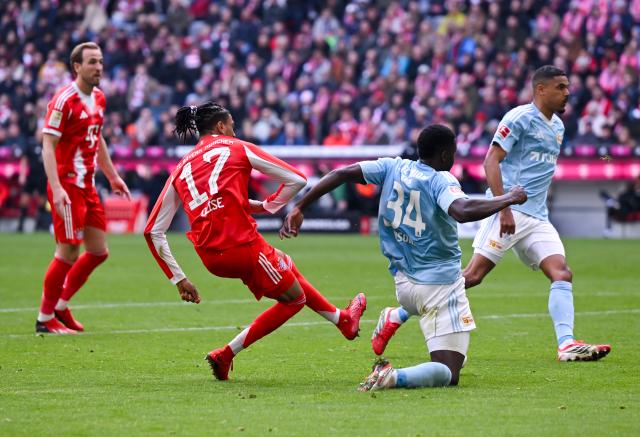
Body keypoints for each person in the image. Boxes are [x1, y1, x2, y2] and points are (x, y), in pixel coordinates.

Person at [280, 124, 527, 391]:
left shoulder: (392, 167)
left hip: (403, 285)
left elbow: (342, 173)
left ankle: (395, 316)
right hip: (439, 288)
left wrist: (300, 206)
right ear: (444, 155)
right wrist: (508, 198)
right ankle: (392, 376)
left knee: (456, 353)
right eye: (453, 153)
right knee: (449, 371)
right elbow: (461, 210)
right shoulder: (440, 180)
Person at [144, 102, 366, 381]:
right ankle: (225, 354)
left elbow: (153, 231)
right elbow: (296, 179)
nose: (235, 131)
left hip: (210, 256)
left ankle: (343, 321)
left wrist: (179, 279)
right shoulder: (235, 147)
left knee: (286, 264)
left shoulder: (181, 167)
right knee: (294, 299)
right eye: (233, 126)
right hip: (242, 246)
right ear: (221, 126)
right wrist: (273, 206)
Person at [461, 65, 611, 361]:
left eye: (567, 87)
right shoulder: (518, 118)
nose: (568, 93)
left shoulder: (557, 126)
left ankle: (566, 344)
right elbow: (491, 162)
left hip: (538, 218)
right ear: (540, 89)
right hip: (509, 213)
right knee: (473, 276)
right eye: (561, 87)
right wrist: (504, 207)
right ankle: (398, 313)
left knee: (561, 273)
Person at [37, 42, 130, 334]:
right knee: (67, 253)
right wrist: (56, 187)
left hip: (88, 186)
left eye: (101, 62)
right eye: (92, 62)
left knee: (98, 251)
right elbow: (47, 146)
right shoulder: (64, 100)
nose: (98, 67)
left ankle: (61, 306)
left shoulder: (99, 99)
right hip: (67, 186)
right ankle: (44, 318)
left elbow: (97, 138)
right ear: (77, 67)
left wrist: (112, 176)